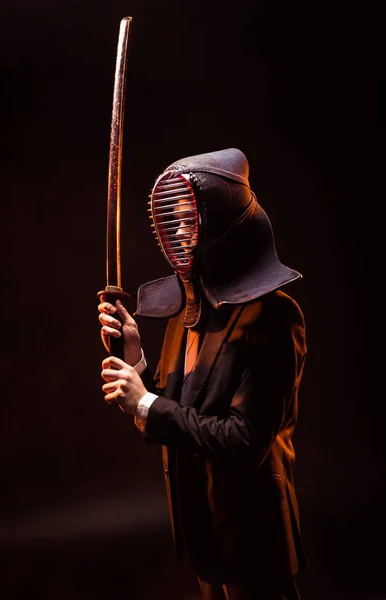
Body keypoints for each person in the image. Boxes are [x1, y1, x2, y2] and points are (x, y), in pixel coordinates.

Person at [98, 148, 308, 600]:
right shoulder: (183, 317)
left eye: (189, 220)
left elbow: (242, 440)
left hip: (255, 538)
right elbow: (177, 421)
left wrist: (146, 403)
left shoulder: (273, 317)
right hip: (204, 536)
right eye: (171, 221)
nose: (178, 232)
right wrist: (136, 361)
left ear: (223, 221)